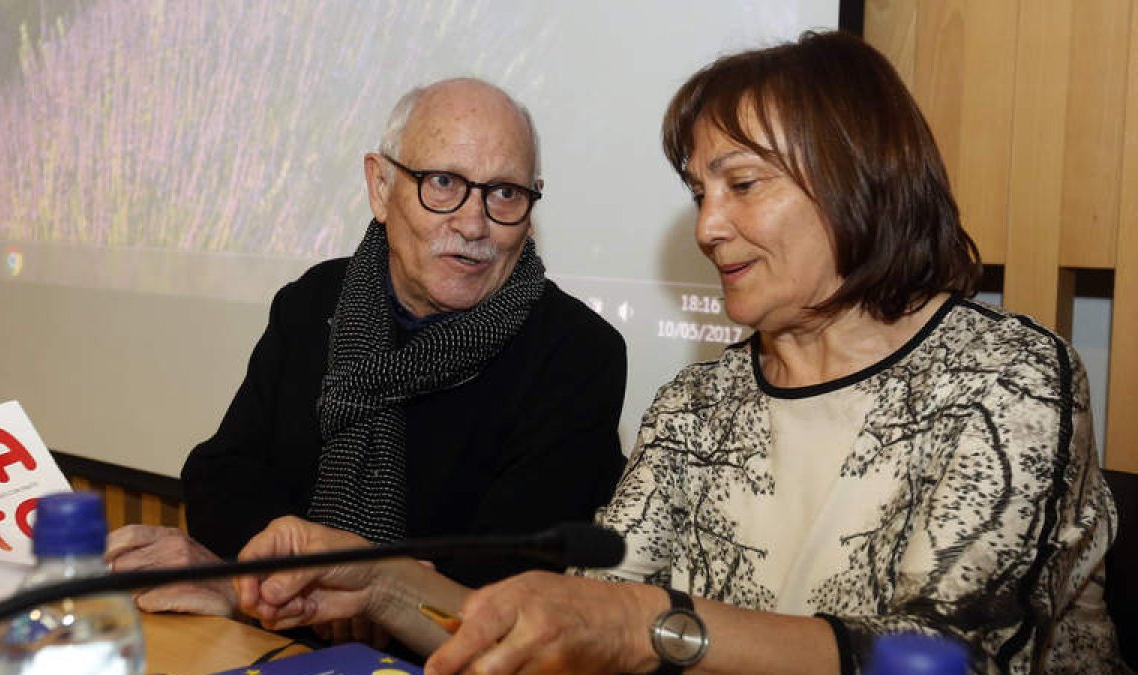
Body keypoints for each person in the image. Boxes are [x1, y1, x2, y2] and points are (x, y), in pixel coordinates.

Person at [229, 31, 1129, 674]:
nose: (706, 225)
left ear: (860, 176)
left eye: (741, 184)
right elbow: (570, 626)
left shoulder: (1006, 380)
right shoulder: (699, 409)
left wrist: (649, 624)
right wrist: (379, 583)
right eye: (699, 190)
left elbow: (947, 658)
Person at [104, 77, 628, 635]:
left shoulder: (578, 354)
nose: (474, 224)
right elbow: (221, 474)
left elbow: (505, 582)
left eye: (504, 193)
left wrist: (349, 582)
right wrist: (285, 569)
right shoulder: (312, 303)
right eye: (444, 183)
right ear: (380, 186)